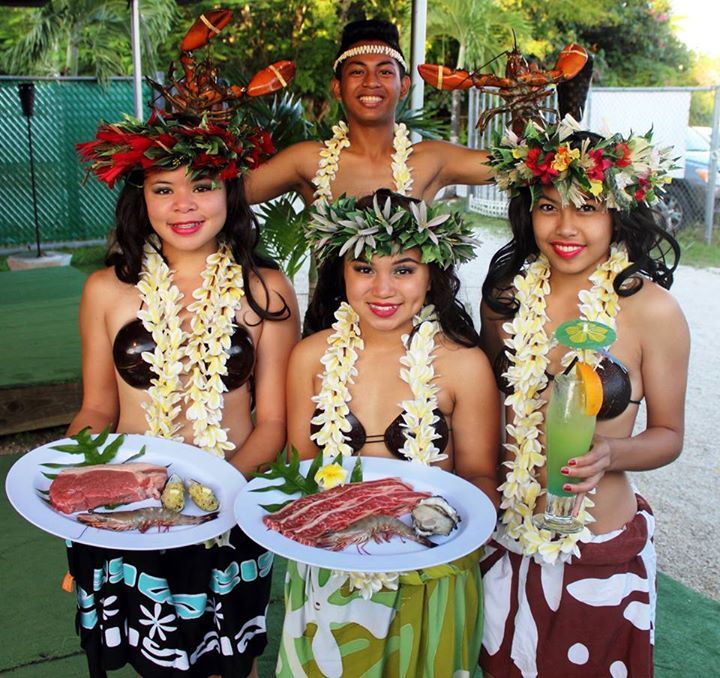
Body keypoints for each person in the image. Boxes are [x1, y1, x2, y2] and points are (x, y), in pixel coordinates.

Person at [66, 87, 300, 677]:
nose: (183, 204)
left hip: (230, 504)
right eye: (163, 189)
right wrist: (76, 482)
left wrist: (217, 493)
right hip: (132, 505)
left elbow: (272, 420)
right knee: (150, 658)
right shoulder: (106, 291)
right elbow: (97, 409)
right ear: (141, 197)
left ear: (229, 191)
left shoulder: (267, 290)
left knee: (231, 661)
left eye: (202, 185)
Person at [478, 115, 690, 676]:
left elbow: (669, 436)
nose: (565, 227)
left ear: (618, 211)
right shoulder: (505, 300)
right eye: (548, 206)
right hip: (505, 540)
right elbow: (483, 409)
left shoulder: (652, 311)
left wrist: (610, 455)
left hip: (598, 548)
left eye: (586, 207)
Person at [276, 188, 500, 676]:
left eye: (403, 269)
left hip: (430, 571)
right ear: (341, 273)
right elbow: (299, 469)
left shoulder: (463, 365)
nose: (382, 288)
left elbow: (482, 477)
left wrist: (442, 534)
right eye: (364, 269)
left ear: (432, 273)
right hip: (332, 561)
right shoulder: (311, 357)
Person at [244, 19, 493, 206]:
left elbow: (517, 165)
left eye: (385, 72)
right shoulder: (306, 161)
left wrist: (520, 95)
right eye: (357, 72)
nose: (371, 82)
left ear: (404, 86)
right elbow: (229, 193)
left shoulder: (434, 159)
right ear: (337, 88)